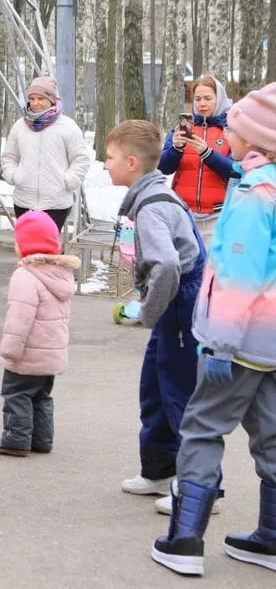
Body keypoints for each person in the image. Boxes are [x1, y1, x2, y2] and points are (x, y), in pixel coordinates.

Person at [151, 84, 276, 577]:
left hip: (240, 340)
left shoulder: (252, 195)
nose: (229, 136)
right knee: (271, 434)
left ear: (257, 138)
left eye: (236, 130)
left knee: (202, 427)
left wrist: (220, 343)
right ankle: (271, 537)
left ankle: (185, 539)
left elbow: (240, 275)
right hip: (271, 343)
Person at [103, 120, 206, 501]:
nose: (105, 164)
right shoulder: (152, 196)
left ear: (131, 163)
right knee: (156, 390)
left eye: (109, 157)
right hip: (172, 308)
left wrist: (148, 312)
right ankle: (160, 471)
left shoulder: (151, 207)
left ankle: (199, 491)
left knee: (180, 397)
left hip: (180, 307)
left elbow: (167, 265)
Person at [0, 211, 78, 457]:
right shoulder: (59, 273)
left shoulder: (26, 275)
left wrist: (10, 351)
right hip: (50, 354)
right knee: (41, 396)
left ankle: (16, 439)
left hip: (27, 353)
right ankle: (42, 439)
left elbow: (19, 319)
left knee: (16, 394)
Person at [0, 76, 91, 232]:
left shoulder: (68, 126)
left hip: (56, 203)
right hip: (24, 201)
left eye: (41, 98)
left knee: (47, 246)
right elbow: (9, 157)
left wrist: (69, 180)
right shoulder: (19, 126)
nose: (35, 103)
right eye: (32, 98)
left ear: (52, 100)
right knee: (27, 246)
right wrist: (13, 176)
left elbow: (81, 158)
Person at [158, 75, 236, 222]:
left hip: (218, 214)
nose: (202, 104)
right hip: (182, 211)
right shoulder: (182, 129)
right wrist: (176, 149)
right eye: (197, 99)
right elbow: (163, 168)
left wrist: (208, 154)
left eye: (208, 98)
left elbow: (236, 171)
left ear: (219, 99)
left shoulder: (231, 130)